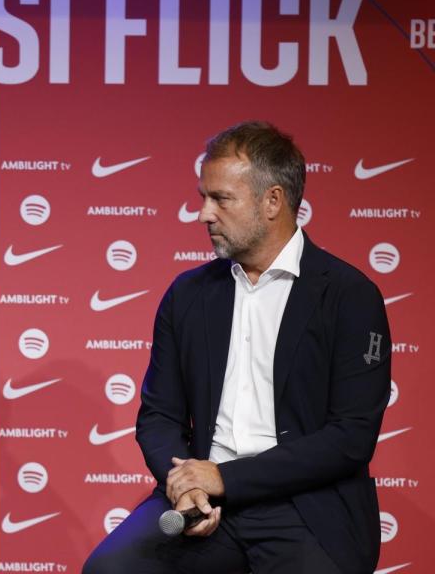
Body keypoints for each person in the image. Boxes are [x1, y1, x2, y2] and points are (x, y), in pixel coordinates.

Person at [83, 122, 391, 574]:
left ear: (273, 202)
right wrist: (185, 486)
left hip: (307, 508)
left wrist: (226, 477)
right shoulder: (187, 294)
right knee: (109, 569)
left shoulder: (349, 295)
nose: (204, 214)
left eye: (221, 199)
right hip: (205, 504)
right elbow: (159, 416)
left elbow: (350, 438)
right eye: (203, 198)